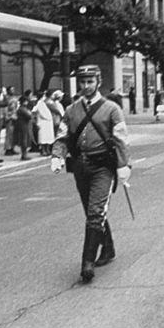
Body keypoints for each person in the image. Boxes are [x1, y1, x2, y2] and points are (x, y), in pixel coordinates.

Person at [50, 65, 131, 284]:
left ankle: (87, 263)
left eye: (90, 82)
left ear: (99, 81)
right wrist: (57, 155)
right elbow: (63, 135)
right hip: (80, 166)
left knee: (96, 211)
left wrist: (124, 166)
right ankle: (109, 247)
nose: (86, 86)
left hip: (103, 166)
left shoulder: (112, 108)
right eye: (83, 82)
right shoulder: (71, 110)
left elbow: (121, 138)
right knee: (91, 210)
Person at [34, 89, 55, 156]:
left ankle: (47, 149)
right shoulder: (39, 103)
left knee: (48, 136)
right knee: (43, 137)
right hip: (43, 122)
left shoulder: (45, 102)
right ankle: (43, 150)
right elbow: (41, 112)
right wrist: (49, 117)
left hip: (48, 122)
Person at [16, 90, 35, 160]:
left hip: (25, 125)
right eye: (26, 101)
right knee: (24, 140)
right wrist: (30, 114)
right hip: (23, 125)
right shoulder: (22, 109)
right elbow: (29, 116)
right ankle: (24, 155)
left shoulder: (23, 108)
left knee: (25, 139)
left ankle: (25, 154)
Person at [4, 87, 19, 156]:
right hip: (10, 118)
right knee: (9, 134)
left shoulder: (14, 98)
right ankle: (8, 149)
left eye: (13, 90)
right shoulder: (6, 99)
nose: (13, 91)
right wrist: (8, 117)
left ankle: (12, 147)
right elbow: (5, 109)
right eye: (11, 90)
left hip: (15, 117)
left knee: (14, 134)